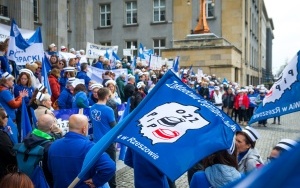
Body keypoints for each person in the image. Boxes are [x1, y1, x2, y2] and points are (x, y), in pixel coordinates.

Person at [48, 114, 116, 188]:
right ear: (84, 129)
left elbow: (50, 168)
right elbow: (110, 167)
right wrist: (96, 181)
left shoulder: (53, 145)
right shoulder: (91, 147)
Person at [90, 88, 117, 188]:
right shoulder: (108, 110)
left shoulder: (92, 107)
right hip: (107, 142)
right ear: (106, 96)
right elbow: (114, 127)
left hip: (96, 141)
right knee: (111, 166)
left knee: (99, 166)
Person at [23, 114, 57, 187]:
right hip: (45, 181)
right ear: (51, 127)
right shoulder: (50, 146)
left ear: (37, 124)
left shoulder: (27, 138)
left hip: (26, 179)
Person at [0, 108, 17, 179]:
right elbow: (9, 153)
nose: (7, 119)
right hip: (4, 172)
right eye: (6, 117)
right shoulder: (2, 136)